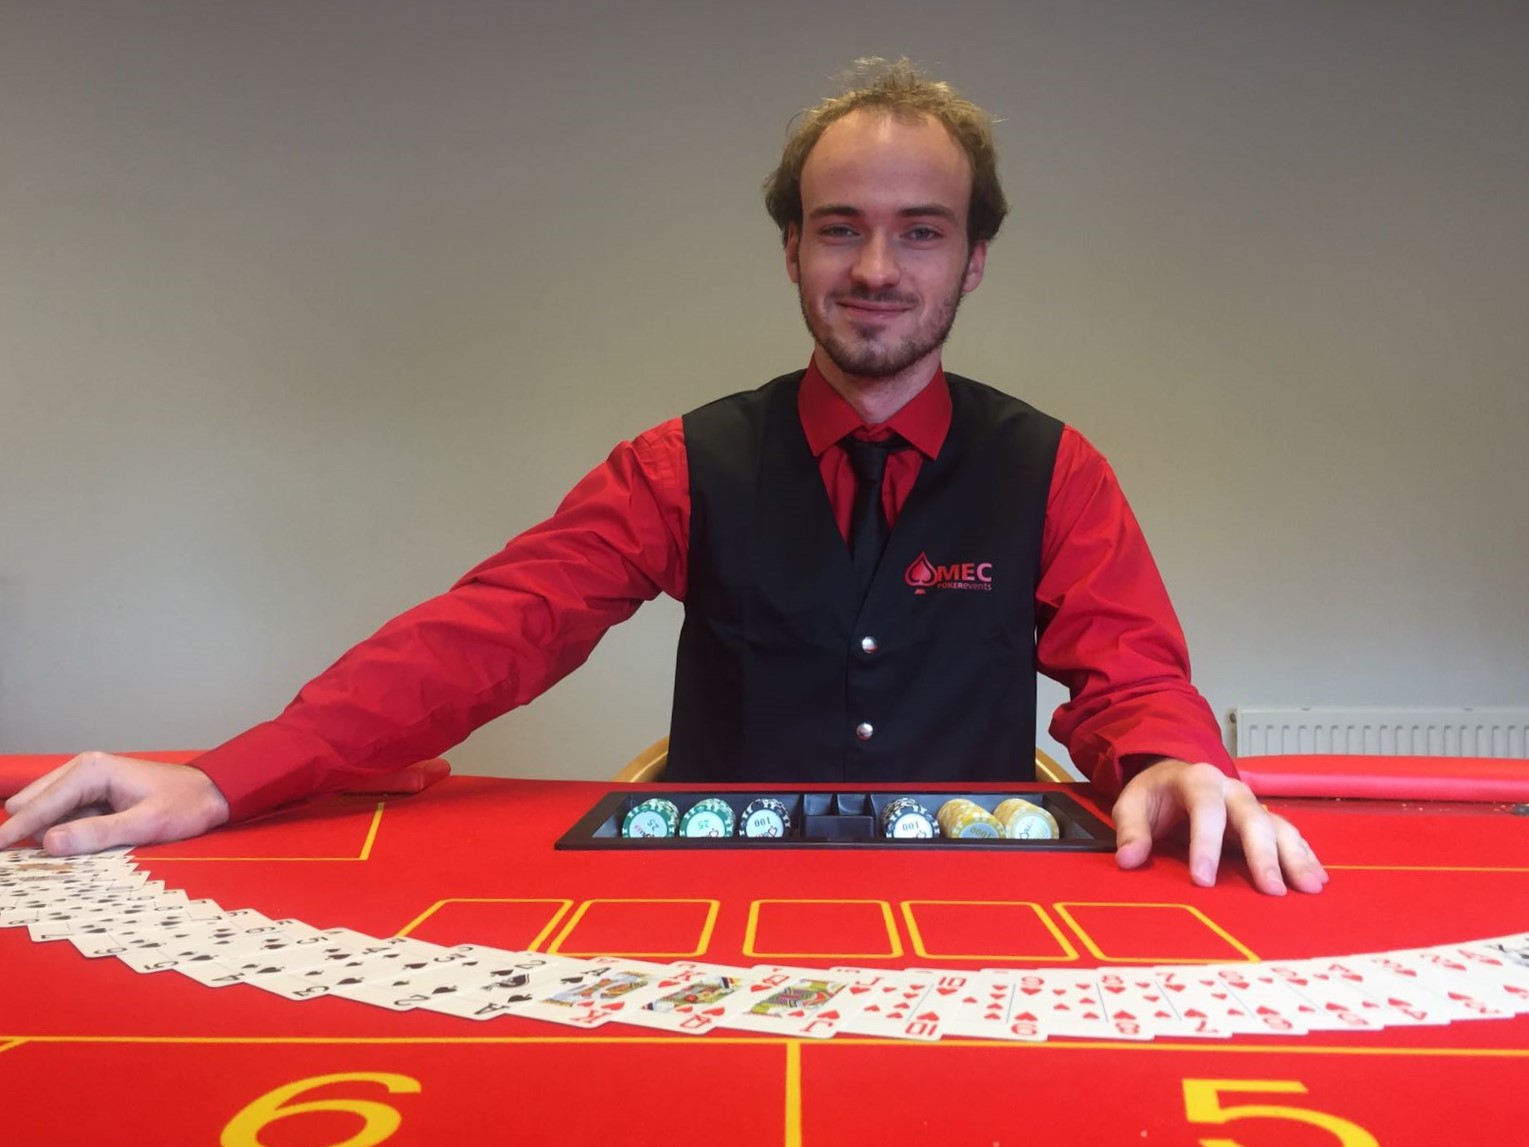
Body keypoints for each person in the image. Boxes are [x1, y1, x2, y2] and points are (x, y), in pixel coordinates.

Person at [0, 60, 1326, 896]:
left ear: (972, 259)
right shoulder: (679, 465)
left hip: (979, 895)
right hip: (712, 896)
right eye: (839, 228)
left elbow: (1131, 673)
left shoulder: (1052, 467)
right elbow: (488, 635)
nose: (876, 269)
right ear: (791, 249)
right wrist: (225, 780)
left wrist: (1173, 760)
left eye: (919, 232)